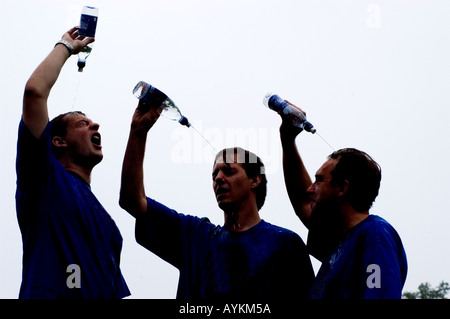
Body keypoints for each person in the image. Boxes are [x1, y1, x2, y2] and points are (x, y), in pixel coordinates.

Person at [119, 101, 315, 299]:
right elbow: (132, 201)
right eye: (215, 175)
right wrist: (138, 130)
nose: (219, 178)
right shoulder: (195, 236)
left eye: (229, 171)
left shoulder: (285, 244)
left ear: (255, 180)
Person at [16, 27, 130, 298]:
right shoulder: (44, 178)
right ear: (58, 142)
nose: (95, 124)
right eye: (83, 123)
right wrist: (65, 46)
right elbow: (34, 92)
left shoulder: (110, 227)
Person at [279, 102, 407, 299]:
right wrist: (287, 139)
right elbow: (302, 201)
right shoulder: (338, 241)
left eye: (319, 180)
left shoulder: (375, 236)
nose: (310, 188)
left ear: (343, 188)